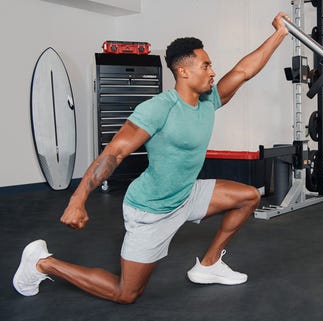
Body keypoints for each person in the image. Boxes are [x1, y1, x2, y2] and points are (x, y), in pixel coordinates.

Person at [13, 12, 290, 304]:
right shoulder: (159, 108)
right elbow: (115, 152)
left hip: (186, 195)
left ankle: (208, 266)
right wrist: (77, 199)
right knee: (126, 293)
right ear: (183, 71)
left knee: (248, 197)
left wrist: (280, 33)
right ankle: (41, 263)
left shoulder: (208, 102)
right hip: (151, 210)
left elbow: (244, 70)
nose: (212, 71)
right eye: (206, 65)